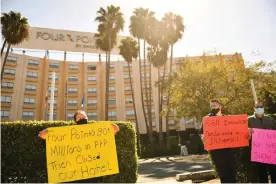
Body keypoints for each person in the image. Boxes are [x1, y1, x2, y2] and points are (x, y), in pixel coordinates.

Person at [199, 99, 237, 183]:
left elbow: (235, 132)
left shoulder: (227, 118)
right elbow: (201, 133)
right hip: (216, 152)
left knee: (232, 173)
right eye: (211, 106)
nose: (213, 107)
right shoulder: (207, 119)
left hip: (229, 151)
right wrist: (202, 137)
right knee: (223, 174)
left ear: (220, 106)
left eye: (215, 105)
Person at [38, 110, 119, 139]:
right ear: (75, 121)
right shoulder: (70, 133)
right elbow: (44, 135)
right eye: (79, 118)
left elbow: (115, 129)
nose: (82, 119)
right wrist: (44, 133)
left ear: (87, 118)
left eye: (83, 117)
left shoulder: (95, 131)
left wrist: (108, 125)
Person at [248, 101, 276, 183]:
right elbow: (244, 134)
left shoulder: (270, 119)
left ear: (263, 108)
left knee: (274, 172)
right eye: (257, 107)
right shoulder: (249, 120)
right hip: (258, 152)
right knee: (261, 173)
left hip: (271, 151)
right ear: (254, 108)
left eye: (261, 106)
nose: (259, 108)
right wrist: (248, 131)